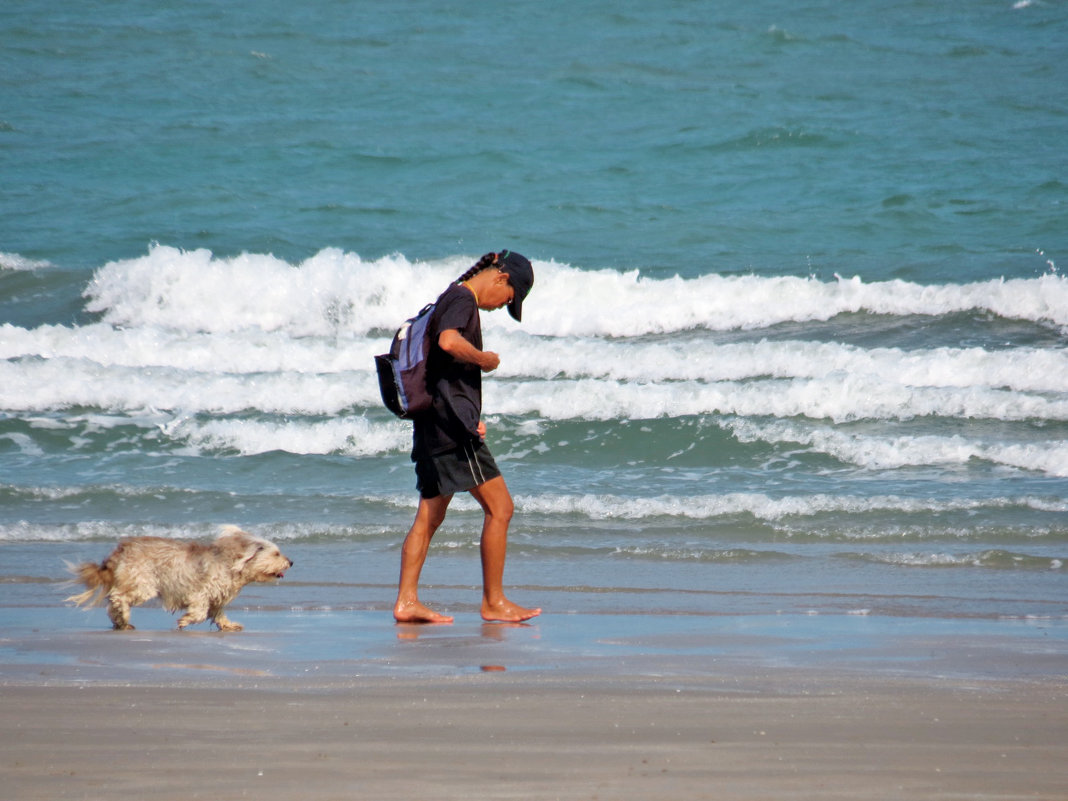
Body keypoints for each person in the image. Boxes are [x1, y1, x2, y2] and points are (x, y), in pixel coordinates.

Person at [393, 250, 542, 624]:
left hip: (431, 424)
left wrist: (470, 414)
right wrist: (484, 359)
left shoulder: (450, 295)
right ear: (500, 278)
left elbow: (442, 371)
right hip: (450, 428)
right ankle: (494, 602)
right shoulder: (462, 300)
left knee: (429, 515)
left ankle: (406, 602)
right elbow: (447, 342)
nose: (498, 308)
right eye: (507, 300)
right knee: (501, 508)